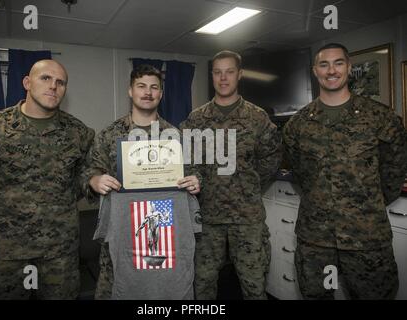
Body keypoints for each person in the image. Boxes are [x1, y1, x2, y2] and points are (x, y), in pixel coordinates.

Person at [0, 59, 95, 299]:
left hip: (59, 251)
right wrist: (3, 204)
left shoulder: (79, 133)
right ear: (27, 83)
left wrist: (58, 202)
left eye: (60, 82)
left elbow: (85, 176)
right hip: (5, 252)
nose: (53, 86)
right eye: (46, 78)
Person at [283, 43, 407, 299]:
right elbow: (299, 172)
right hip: (316, 240)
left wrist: (366, 205)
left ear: (349, 68)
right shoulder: (298, 124)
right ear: (314, 71)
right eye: (324, 64)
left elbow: (394, 171)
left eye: (338, 63)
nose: (331, 70)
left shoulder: (380, 117)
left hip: (367, 239)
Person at [83, 64, 201, 299]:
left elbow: (194, 171)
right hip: (122, 229)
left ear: (161, 94)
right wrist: (95, 181)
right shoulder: (110, 134)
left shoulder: (175, 136)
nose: (148, 92)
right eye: (141, 86)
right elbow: (89, 172)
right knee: (116, 286)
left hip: (166, 228)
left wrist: (196, 181)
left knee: (167, 288)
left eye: (154, 87)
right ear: (130, 91)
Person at [180, 50, 282, 299]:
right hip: (207, 216)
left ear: (240, 75)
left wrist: (245, 184)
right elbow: (187, 161)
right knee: (203, 283)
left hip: (246, 217)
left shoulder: (258, 118)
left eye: (229, 72)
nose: (223, 78)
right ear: (212, 76)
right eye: (217, 72)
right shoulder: (196, 119)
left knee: (254, 285)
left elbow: (271, 160)